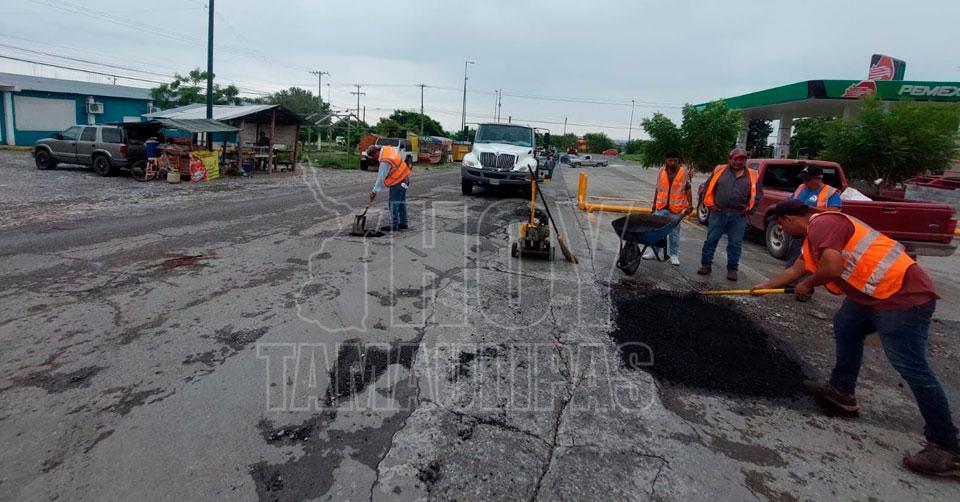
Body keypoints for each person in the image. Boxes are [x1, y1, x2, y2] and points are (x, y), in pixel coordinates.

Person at [752, 199, 958, 477]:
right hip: (870, 296)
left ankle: (947, 447)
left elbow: (832, 268)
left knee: (911, 366)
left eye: (781, 226)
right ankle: (842, 391)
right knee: (846, 326)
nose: (783, 231)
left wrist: (808, 285)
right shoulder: (814, 236)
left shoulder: (824, 223)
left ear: (788, 219)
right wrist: (763, 287)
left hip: (902, 295)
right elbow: (795, 270)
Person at [697, 148, 763, 281]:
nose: (739, 162)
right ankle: (706, 265)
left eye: (742, 159)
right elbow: (707, 189)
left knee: (735, 243)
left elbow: (758, 195)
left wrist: (751, 209)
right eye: (736, 159)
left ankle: (732, 270)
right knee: (711, 240)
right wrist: (710, 205)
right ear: (730, 159)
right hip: (718, 212)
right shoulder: (719, 171)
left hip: (739, 215)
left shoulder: (753, 175)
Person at [783, 165, 842, 267]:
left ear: (818, 179)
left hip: (816, 234)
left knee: (810, 263)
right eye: (803, 179)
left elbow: (835, 211)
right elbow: (791, 201)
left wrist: (810, 208)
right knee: (793, 261)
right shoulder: (801, 188)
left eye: (807, 179)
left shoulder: (830, 192)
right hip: (798, 232)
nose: (805, 182)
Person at [643, 155, 693, 266]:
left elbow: (688, 189)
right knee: (657, 232)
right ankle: (654, 252)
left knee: (674, 233)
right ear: (666, 160)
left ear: (678, 161)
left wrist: (690, 205)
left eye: (675, 160)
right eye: (670, 160)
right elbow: (658, 189)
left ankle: (674, 255)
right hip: (661, 207)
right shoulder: (661, 171)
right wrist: (654, 204)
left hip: (675, 209)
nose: (673, 162)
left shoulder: (683, 172)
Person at [368, 145, 411, 231]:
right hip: (405, 178)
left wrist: (374, 191)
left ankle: (394, 224)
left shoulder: (385, 160)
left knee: (393, 203)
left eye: (373, 156)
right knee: (401, 202)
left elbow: (381, 177)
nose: (375, 158)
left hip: (398, 182)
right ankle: (403, 222)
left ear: (376, 152)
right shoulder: (388, 149)